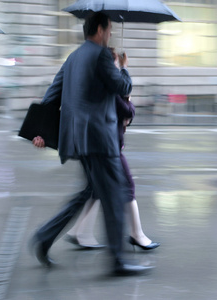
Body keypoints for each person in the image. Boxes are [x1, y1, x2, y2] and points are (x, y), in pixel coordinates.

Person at [29, 12, 153, 275]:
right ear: (99, 29)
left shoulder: (73, 57)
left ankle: (44, 236)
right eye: (108, 29)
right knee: (115, 193)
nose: (110, 34)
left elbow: (52, 95)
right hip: (100, 139)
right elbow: (121, 87)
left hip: (78, 140)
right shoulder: (99, 55)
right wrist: (123, 67)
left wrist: (39, 132)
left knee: (88, 192)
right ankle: (118, 262)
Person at [65, 49, 160, 251]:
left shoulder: (94, 81)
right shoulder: (107, 85)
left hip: (94, 146)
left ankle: (79, 231)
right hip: (109, 147)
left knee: (97, 189)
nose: (116, 68)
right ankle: (137, 234)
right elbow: (127, 111)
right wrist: (127, 96)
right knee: (128, 187)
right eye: (115, 64)